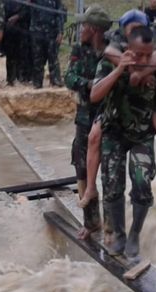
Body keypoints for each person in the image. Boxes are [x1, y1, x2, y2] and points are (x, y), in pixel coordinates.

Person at [80, 11, 156, 218]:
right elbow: (111, 53)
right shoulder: (117, 39)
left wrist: (144, 73)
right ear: (124, 29)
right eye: (131, 27)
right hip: (117, 102)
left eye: (139, 26)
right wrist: (132, 72)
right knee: (94, 136)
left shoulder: (150, 39)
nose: (135, 30)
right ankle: (90, 188)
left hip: (149, 101)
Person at [89, 26, 156, 261]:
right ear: (128, 50)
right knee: (112, 186)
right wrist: (120, 70)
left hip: (142, 134)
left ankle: (134, 234)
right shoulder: (110, 62)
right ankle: (119, 234)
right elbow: (95, 95)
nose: (144, 59)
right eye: (138, 54)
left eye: (148, 54)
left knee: (142, 185)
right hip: (114, 132)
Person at [64, 6, 113, 240]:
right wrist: (91, 84)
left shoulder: (112, 51)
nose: (81, 29)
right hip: (85, 117)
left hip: (107, 117)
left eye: (84, 26)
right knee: (82, 169)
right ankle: (91, 222)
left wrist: (99, 85)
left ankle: (113, 225)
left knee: (111, 172)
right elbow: (69, 78)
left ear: (93, 29)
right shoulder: (79, 49)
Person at [29, 0, 65, 88]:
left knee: (53, 57)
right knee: (38, 58)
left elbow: (60, 14)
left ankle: (55, 80)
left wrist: (60, 32)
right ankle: (37, 82)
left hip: (52, 32)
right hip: (37, 31)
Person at [3, 0, 28, 86]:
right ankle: (10, 78)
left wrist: (18, 16)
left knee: (22, 54)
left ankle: (21, 77)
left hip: (22, 27)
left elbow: (28, 9)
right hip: (9, 28)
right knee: (10, 55)